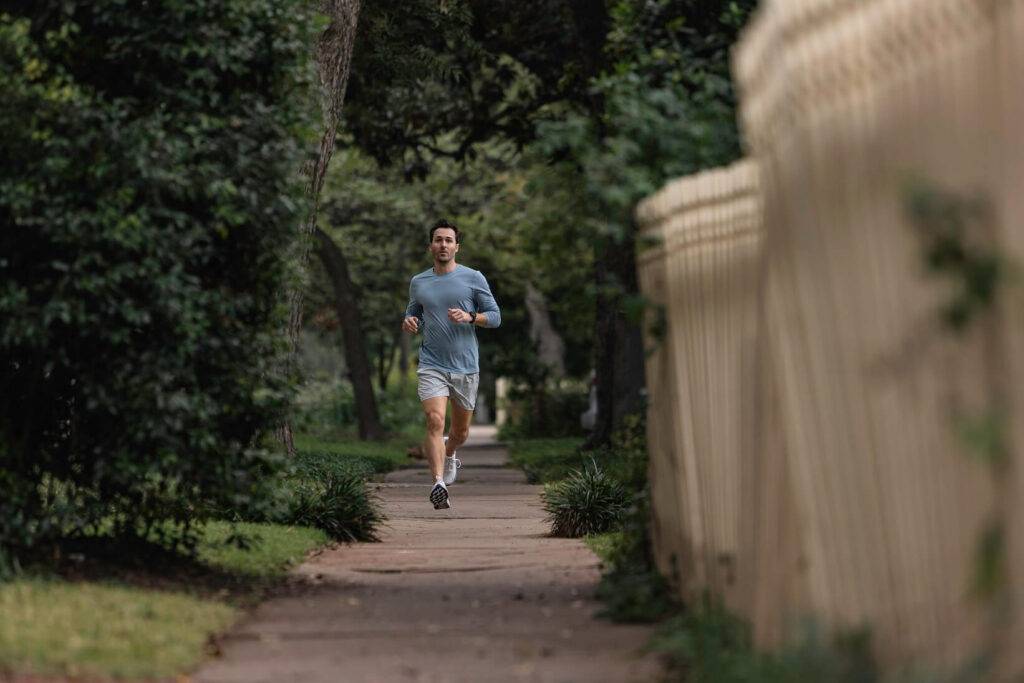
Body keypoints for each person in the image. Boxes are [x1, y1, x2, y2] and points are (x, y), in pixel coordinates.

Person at [402, 219, 501, 509]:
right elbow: (414, 312)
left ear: (457, 246)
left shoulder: (473, 278)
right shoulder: (419, 282)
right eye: (438, 240)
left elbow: (495, 317)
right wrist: (410, 321)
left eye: (448, 240)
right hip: (431, 364)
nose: (443, 245)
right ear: (430, 246)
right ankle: (438, 484)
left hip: (466, 367)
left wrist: (471, 317)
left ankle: (450, 452)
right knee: (434, 420)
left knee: (460, 433)